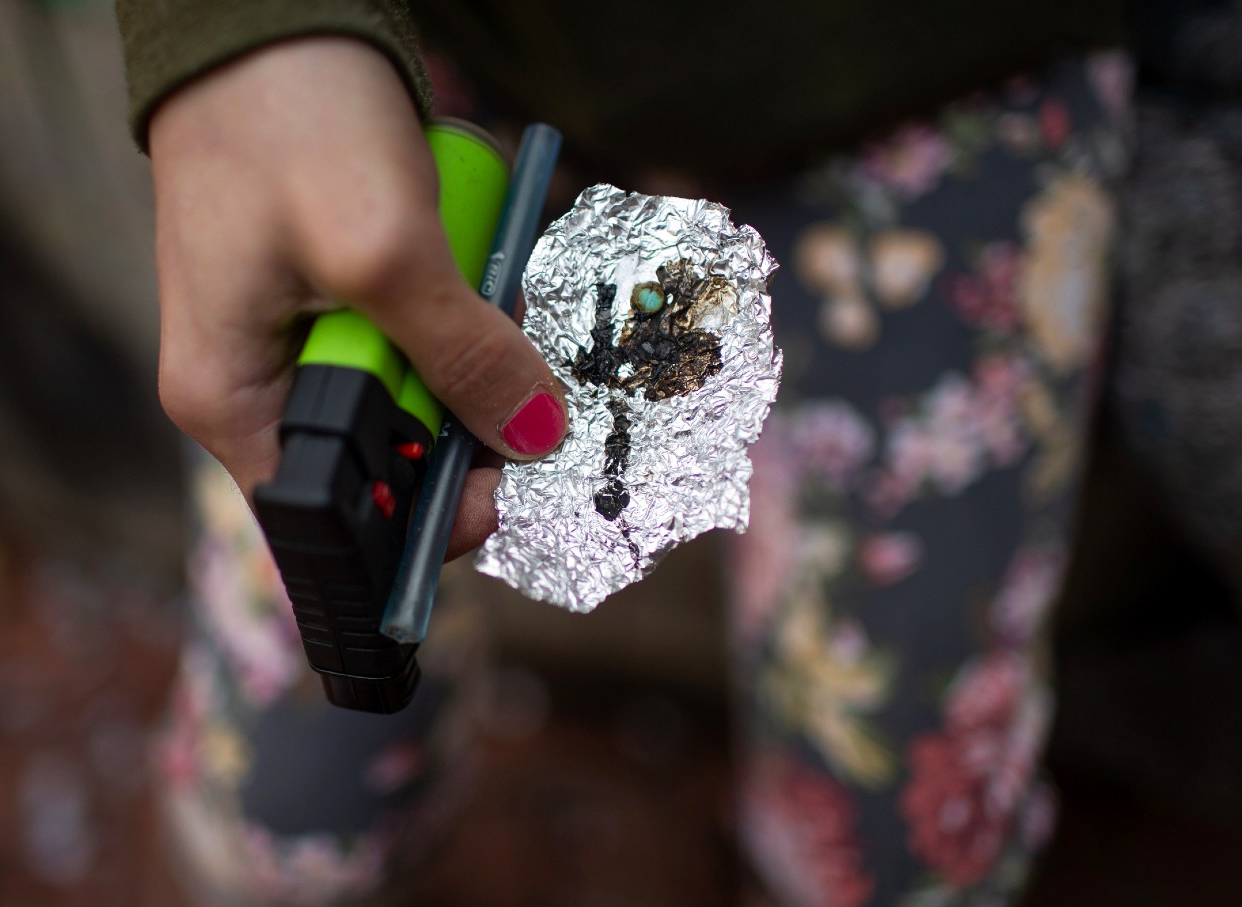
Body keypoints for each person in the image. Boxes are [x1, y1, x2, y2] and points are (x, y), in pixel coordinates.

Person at [116, 1, 1152, 904]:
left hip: (936, 65)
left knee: (894, 845)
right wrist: (233, 27)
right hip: (409, 61)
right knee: (287, 808)